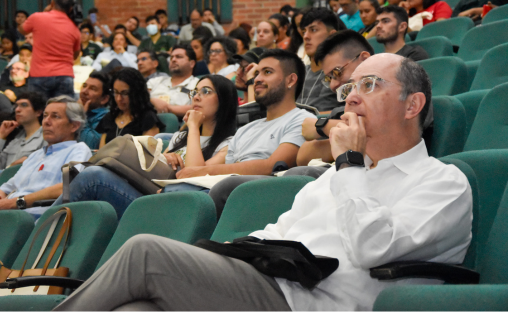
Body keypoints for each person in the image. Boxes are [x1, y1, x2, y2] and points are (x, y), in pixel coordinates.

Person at [54, 53, 472, 312]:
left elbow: (371, 248)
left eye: (369, 85)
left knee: (144, 252)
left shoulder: (442, 183)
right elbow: (278, 234)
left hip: (314, 305)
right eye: (348, 87)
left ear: (412, 104)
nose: (350, 98)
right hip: (270, 288)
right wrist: (227, 257)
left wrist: (349, 163)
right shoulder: (333, 178)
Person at [50, 75, 239, 218]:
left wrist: (192, 127)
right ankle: (45, 228)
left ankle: (42, 228)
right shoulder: (181, 137)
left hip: (173, 207)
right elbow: (156, 168)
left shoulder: (229, 143)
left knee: (93, 177)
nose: (196, 97)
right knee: (84, 172)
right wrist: (167, 157)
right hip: (148, 192)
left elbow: (193, 172)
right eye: (195, 92)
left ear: (224, 101)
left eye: (205, 91)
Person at [179, 49, 317, 215]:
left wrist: (202, 172)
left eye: (267, 72)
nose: (257, 79)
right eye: (257, 73)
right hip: (224, 191)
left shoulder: (302, 120)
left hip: (258, 197)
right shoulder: (246, 129)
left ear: (291, 80)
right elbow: (211, 169)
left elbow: (272, 165)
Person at [0, 96, 92, 218]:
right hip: (6, 215)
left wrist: (13, 203)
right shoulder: (36, 155)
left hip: (31, 220)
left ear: (74, 126)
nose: (46, 122)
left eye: (55, 116)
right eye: (45, 116)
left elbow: (68, 187)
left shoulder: (78, 150)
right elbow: (7, 187)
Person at [292, 30, 373, 171]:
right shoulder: (343, 110)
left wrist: (324, 126)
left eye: (336, 72)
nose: (333, 85)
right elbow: (304, 154)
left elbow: (386, 132)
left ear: (364, 59)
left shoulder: (397, 92)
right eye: (329, 78)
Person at [21, 0, 80, 98]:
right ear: (70, 8)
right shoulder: (74, 29)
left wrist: (44, 12)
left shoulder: (37, 18)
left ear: (52, 3)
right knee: (61, 111)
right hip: (64, 75)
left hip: (39, 74)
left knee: (38, 111)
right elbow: (75, 56)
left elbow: (22, 29)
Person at [96, 67, 164, 148]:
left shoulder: (148, 118)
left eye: (124, 93)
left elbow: (149, 154)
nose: (119, 98)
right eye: (116, 92)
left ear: (136, 93)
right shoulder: (109, 118)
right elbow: (101, 152)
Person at [297, 8, 344, 112]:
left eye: (313, 30)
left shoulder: (342, 73)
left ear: (331, 35)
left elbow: (350, 112)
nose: (306, 36)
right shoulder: (298, 73)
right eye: (304, 31)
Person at [0, 92, 46, 169]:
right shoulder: (16, 139)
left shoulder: (46, 136)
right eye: (16, 106)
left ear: (38, 112)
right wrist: (0, 136)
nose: (17, 109)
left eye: (24, 105)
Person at [147, 45, 199, 118]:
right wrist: (152, 100)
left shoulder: (198, 84)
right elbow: (140, 97)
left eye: (179, 57)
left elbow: (199, 108)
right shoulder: (155, 81)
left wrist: (168, 108)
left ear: (192, 63)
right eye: (171, 57)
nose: (173, 60)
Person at [78, 71, 111, 150]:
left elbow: (89, 145)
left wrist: (82, 116)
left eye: (92, 89)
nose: (84, 91)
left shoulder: (106, 117)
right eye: (84, 86)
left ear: (104, 99)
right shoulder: (74, 108)